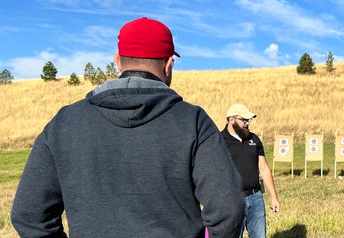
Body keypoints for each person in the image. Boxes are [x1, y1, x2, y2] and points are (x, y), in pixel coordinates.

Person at [11, 17, 244, 237]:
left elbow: (29, 215)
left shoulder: (63, 123)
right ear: (169, 64)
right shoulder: (193, 121)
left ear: (118, 61)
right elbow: (228, 209)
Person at [221, 103, 280, 238]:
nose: (247, 123)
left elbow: (264, 168)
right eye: (244, 120)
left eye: (249, 120)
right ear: (231, 120)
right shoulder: (219, 141)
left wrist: (274, 197)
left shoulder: (254, 139)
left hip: (256, 198)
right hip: (232, 200)